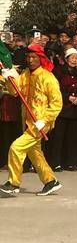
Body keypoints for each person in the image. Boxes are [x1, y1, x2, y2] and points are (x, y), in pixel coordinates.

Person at [0, 43, 63, 197]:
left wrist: (45, 119)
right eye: (28, 57)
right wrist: (9, 77)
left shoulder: (48, 78)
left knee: (16, 147)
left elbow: (57, 103)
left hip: (40, 123)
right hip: (28, 120)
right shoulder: (26, 75)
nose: (30, 60)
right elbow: (15, 92)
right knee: (35, 153)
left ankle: (14, 182)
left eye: (34, 57)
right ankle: (50, 181)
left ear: (40, 59)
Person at [50, 47, 77, 171]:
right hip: (62, 109)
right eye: (72, 57)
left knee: (73, 137)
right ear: (66, 59)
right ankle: (56, 162)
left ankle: (71, 162)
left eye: (76, 58)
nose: (74, 60)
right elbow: (54, 90)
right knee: (58, 137)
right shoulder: (58, 72)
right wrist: (67, 97)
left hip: (75, 110)